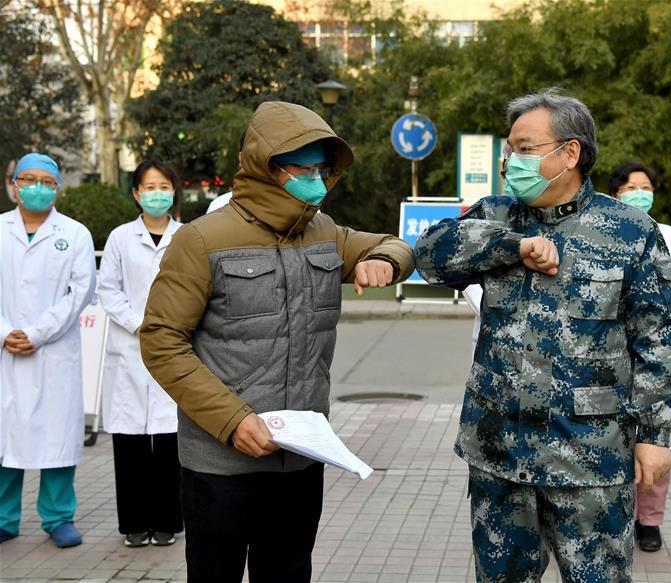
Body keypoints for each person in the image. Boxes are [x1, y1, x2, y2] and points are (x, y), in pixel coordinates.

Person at [415, 90, 671, 583]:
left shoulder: (630, 230)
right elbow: (431, 255)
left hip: (590, 458)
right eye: (510, 149)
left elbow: (662, 337)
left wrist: (655, 434)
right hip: (500, 453)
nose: (511, 161)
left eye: (525, 149)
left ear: (570, 153)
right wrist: (511, 247)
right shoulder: (496, 215)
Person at [139, 100, 415, 583]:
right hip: (220, 464)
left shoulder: (323, 232)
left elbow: (393, 242)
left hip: (300, 458)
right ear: (266, 168)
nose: (315, 180)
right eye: (301, 169)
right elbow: (162, 341)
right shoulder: (202, 240)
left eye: (321, 169)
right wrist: (231, 420)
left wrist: (387, 262)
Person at [0, 153, 96, 548]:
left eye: (47, 181)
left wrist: (36, 333)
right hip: (4, 352)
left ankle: (58, 518)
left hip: (53, 352)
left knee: (56, 436)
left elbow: (79, 293)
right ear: (13, 184)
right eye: (28, 180)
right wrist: (5, 333)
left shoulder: (74, 233)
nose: (37, 188)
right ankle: (5, 519)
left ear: (58, 188)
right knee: (5, 440)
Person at [97, 160, 184, 548]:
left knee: (170, 442)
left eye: (164, 186)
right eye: (149, 187)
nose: (156, 193)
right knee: (130, 442)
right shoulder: (119, 237)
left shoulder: (186, 236)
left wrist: (169, 325)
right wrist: (138, 322)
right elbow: (107, 289)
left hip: (174, 345)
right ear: (136, 193)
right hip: (130, 345)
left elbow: (194, 289)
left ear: (174, 192)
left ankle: (167, 522)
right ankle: (134, 524)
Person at [608, 161, 671, 553]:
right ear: (615, 194)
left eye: (645, 186)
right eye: (630, 187)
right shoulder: (604, 231)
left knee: (655, 441)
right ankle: (616, 520)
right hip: (609, 357)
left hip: (654, 355)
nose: (639, 192)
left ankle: (650, 521)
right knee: (611, 444)